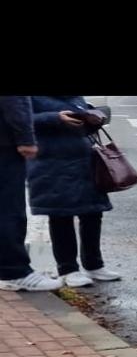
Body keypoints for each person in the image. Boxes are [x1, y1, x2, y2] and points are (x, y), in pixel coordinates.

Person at [26, 96, 119, 287]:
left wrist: (92, 118)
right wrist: (55, 117)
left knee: (93, 212)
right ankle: (67, 269)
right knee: (61, 215)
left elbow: (84, 125)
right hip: (51, 163)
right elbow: (23, 119)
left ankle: (94, 264)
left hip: (84, 161)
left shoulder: (75, 96)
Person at [0, 96, 61, 292]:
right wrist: (25, 138)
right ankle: (14, 272)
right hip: (4, 144)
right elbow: (14, 101)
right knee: (9, 208)